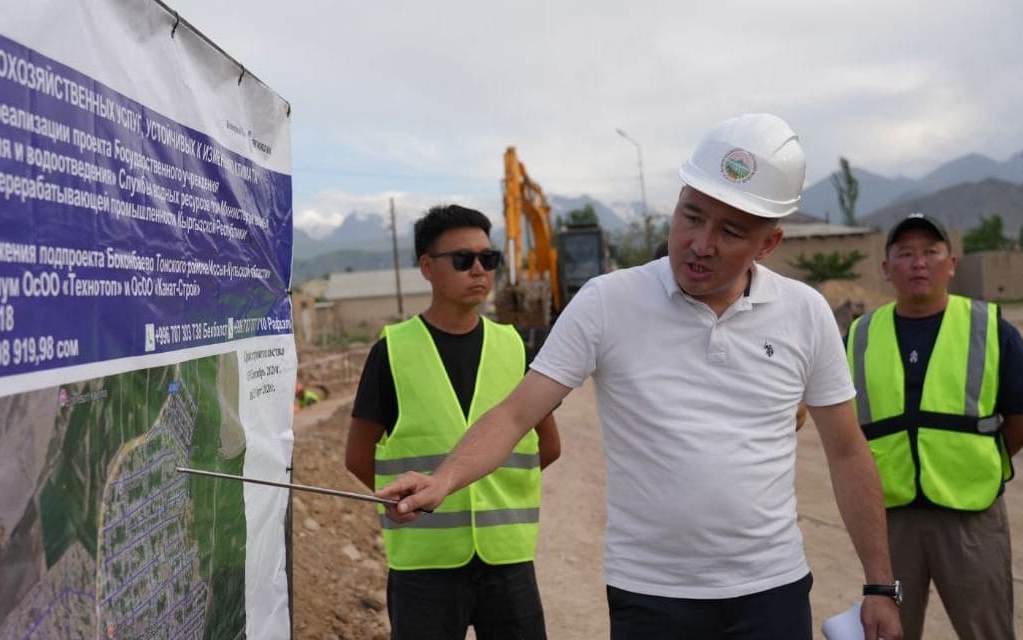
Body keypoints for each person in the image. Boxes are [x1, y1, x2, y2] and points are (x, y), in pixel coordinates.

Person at [378, 114, 904, 640]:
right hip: (652, 596)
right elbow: (517, 414)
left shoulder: (804, 313)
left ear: (769, 243)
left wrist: (880, 586)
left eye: (730, 232)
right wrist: (443, 479)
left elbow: (846, 450)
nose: (700, 243)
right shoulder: (608, 303)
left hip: (772, 589)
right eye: (691, 217)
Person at [345, 204, 561, 640]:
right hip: (424, 564)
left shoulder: (513, 347)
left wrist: (498, 494)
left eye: (488, 258)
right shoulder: (393, 351)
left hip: (508, 560)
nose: (479, 270)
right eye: (463, 259)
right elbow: (358, 456)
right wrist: (407, 502)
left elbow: (549, 446)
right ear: (428, 267)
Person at [846, 212, 1023, 639]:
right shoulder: (859, 336)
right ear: (886, 268)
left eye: (930, 252)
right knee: (888, 632)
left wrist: (974, 463)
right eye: (905, 254)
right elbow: (844, 429)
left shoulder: (991, 329)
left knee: (986, 630)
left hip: (970, 514)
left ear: (951, 264)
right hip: (890, 517)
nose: (918, 263)